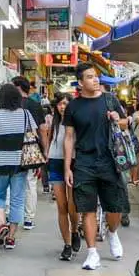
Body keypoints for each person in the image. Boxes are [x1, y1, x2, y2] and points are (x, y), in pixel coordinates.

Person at [63, 63, 129, 270]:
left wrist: (118, 119)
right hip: (84, 162)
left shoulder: (110, 100)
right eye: (90, 77)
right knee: (87, 209)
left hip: (110, 161)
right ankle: (92, 253)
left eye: (96, 76)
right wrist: (67, 167)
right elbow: (69, 137)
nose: (95, 80)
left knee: (115, 206)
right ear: (81, 82)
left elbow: (127, 122)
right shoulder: (73, 106)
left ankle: (112, 232)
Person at [0, 83, 37, 250]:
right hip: (19, 164)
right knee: (18, 200)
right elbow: (34, 137)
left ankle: (2, 223)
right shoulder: (25, 115)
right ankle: (11, 238)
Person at [45, 93, 82, 260]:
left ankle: (75, 231)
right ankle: (67, 244)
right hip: (55, 163)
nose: (62, 107)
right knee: (61, 206)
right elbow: (49, 141)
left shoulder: (76, 122)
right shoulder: (53, 121)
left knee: (73, 205)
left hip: (74, 163)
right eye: (60, 104)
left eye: (66, 104)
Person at [13, 76, 45, 229]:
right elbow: (42, 129)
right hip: (32, 149)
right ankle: (29, 218)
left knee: (13, 183)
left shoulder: (11, 105)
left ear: (18, 87)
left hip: (13, 148)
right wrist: (44, 150)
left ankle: (12, 216)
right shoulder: (35, 105)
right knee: (30, 183)